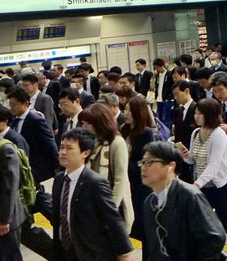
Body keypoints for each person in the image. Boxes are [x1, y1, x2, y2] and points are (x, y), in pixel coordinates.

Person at [52, 128, 133, 261]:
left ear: (85, 153)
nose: (63, 152)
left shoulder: (95, 183)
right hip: (65, 251)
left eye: (69, 148)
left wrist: (124, 253)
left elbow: (113, 219)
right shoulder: (59, 180)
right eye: (61, 147)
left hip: (90, 252)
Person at [140, 141, 227, 260]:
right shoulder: (149, 202)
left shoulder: (190, 196)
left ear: (171, 166)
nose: (143, 168)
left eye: (149, 162)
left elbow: (214, 238)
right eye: (143, 162)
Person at [180, 98, 227, 245]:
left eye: (200, 113)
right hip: (203, 186)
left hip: (220, 187)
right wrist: (185, 155)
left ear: (210, 114)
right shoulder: (196, 133)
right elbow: (194, 160)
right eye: (196, 113)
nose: (196, 116)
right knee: (199, 222)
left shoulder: (219, 135)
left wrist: (197, 184)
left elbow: (214, 165)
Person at [78, 103, 134, 232]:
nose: (84, 127)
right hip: (92, 203)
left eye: (88, 123)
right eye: (83, 123)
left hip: (112, 204)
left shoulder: (116, 143)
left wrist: (110, 209)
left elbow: (120, 179)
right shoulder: (90, 142)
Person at [7, 85, 58, 185]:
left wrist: (56, 165)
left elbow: (49, 143)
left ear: (26, 103)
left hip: (37, 168)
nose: (11, 108)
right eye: (10, 105)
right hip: (23, 168)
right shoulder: (14, 121)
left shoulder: (35, 119)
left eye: (14, 105)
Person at [120, 95, 154, 241]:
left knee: (142, 226)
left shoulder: (146, 133)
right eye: (126, 110)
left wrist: (125, 165)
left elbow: (145, 160)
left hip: (139, 184)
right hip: (125, 181)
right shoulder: (124, 129)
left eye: (130, 111)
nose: (126, 114)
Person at [0, 125, 26, 261]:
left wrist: (5, 219)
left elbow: (9, 187)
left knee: (9, 256)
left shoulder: (5, 149)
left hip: (7, 218)